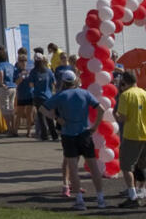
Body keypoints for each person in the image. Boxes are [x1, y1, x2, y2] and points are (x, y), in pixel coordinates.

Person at [39, 69, 107, 211]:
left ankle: (79, 200)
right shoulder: (85, 93)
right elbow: (101, 109)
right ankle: (100, 198)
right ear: (75, 80)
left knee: (73, 168)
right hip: (84, 133)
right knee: (94, 168)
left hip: (69, 135)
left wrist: (57, 118)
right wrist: (94, 126)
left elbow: (43, 109)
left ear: (63, 82)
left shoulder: (61, 95)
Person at [115, 70, 146, 207]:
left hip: (132, 134)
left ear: (125, 82)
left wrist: (115, 115)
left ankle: (133, 196)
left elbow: (123, 117)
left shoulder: (125, 95)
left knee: (127, 166)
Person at [29, 55, 58, 141]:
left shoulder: (33, 72)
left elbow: (31, 85)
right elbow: (54, 83)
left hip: (38, 96)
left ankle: (44, 135)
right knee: (49, 116)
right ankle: (54, 135)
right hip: (48, 96)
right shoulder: (48, 71)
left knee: (41, 117)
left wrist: (33, 92)